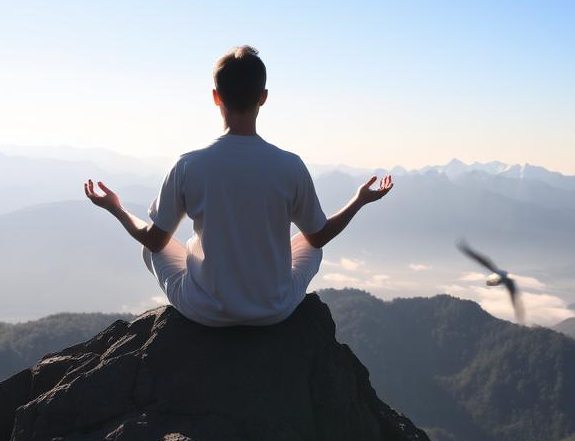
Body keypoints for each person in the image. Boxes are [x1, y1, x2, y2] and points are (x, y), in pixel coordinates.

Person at [84, 46, 393, 326]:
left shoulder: (189, 165)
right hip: (275, 309)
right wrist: (359, 200)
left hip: (206, 311)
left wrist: (117, 208)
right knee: (311, 245)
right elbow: (320, 234)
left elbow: (154, 241)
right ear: (263, 97)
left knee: (149, 250)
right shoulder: (290, 166)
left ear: (216, 96)